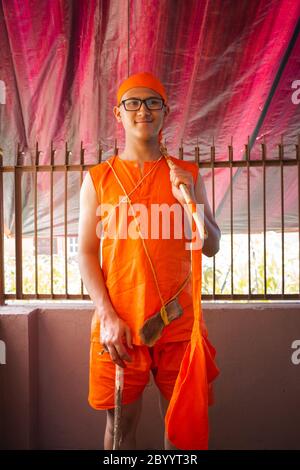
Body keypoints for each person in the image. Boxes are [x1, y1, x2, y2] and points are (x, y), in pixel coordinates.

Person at [78, 72, 221, 450]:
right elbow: (86, 252)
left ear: (165, 111)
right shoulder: (99, 179)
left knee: (182, 431)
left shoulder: (186, 174)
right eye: (134, 103)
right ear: (118, 113)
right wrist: (106, 315)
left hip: (179, 327)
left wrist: (191, 202)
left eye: (153, 102)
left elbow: (212, 245)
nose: (144, 110)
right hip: (120, 326)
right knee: (120, 429)